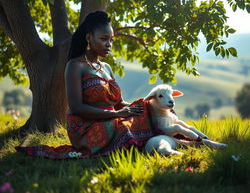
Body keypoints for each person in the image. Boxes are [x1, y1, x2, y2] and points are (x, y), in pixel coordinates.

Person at [16, 11, 160, 159]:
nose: (109, 44)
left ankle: (178, 137)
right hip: (86, 127)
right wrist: (116, 114)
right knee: (124, 128)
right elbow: (76, 107)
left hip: (111, 119)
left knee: (152, 110)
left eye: (111, 40)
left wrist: (144, 107)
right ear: (89, 37)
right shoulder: (75, 65)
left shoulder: (106, 67)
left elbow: (119, 103)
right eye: (104, 39)